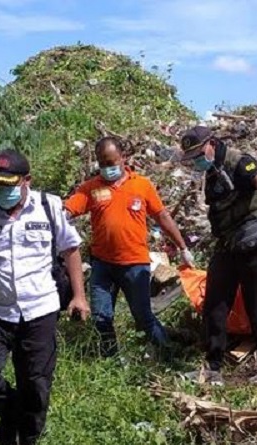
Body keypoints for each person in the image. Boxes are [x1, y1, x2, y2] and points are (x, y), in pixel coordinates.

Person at [0, 149, 90, 445]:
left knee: (36, 385)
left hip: (40, 310)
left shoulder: (49, 207)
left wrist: (79, 297)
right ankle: (11, 413)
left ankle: (26, 438)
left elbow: (71, 250)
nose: (0, 191)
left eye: (7, 185)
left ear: (26, 181)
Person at [179, 126, 257, 385]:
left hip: (253, 241)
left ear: (212, 144)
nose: (196, 160)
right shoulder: (213, 171)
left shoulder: (237, 162)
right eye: (192, 156)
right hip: (228, 241)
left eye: (198, 153)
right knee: (215, 302)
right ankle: (213, 366)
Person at [65, 137, 194, 357]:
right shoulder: (91, 188)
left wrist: (182, 248)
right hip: (102, 266)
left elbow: (162, 216)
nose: (107, 168)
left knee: (143, 316)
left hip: (135, 265)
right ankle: (110, 360)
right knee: (101, 318)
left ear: (123, 158)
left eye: (111, 162)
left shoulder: (141, 185)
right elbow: (68, 209)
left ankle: (167, 355)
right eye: (102, 164)